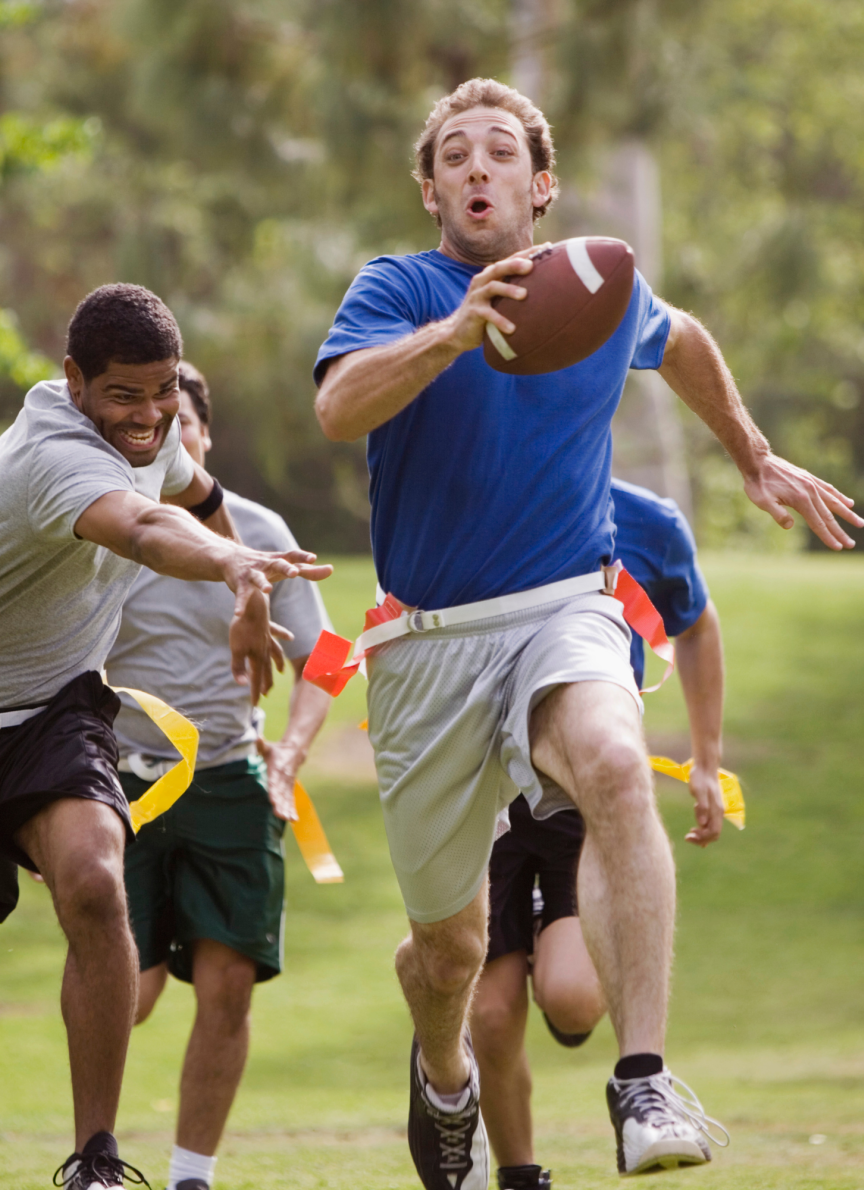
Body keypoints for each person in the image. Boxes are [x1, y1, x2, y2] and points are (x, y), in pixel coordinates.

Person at [312, 77, 860, 1187]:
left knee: (614, 764)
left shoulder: (600, 285)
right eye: (454, 155)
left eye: (499, 152)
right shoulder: (398, 288)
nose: (477, 168)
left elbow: (684, 336)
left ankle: (644, 1076)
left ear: (540, 183)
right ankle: (442, 1072)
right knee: (450, 947)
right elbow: (337, 407)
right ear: (429, 191)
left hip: (563, 604)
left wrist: (749, 450)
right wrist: (451, 335)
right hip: (425, 646)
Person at [0, 285, 330, 1190]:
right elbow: (145, 528)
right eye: (125, 395)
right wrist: (235, 563)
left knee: (93, 882)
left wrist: (245, 594)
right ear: (74, 381)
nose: (151, 417)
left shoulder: (151, 437)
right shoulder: (52, 457)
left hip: (57, 711)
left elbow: (195, 494)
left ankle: (96, 1158)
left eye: (165, 393)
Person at [106, 363, 333, 1190]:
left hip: (235, 779)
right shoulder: (109, 528)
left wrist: (295, 751)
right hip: (123, 785)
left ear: (203, 438)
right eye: (152, 428)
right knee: (128, 993)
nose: (169, 439)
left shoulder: (259, 530)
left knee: (228, 983)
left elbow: (330, 656)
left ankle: (190, 1175)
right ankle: (95, 1154)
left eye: (183, 426)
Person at [470, 478, 727, 1190]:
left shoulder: (652, 522)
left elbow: (696, 623)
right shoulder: (481, 497)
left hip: (581, 791)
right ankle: (519, 1174)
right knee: (491, 1015)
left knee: (575, 1000)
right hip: (487, 787)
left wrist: (706, 762)